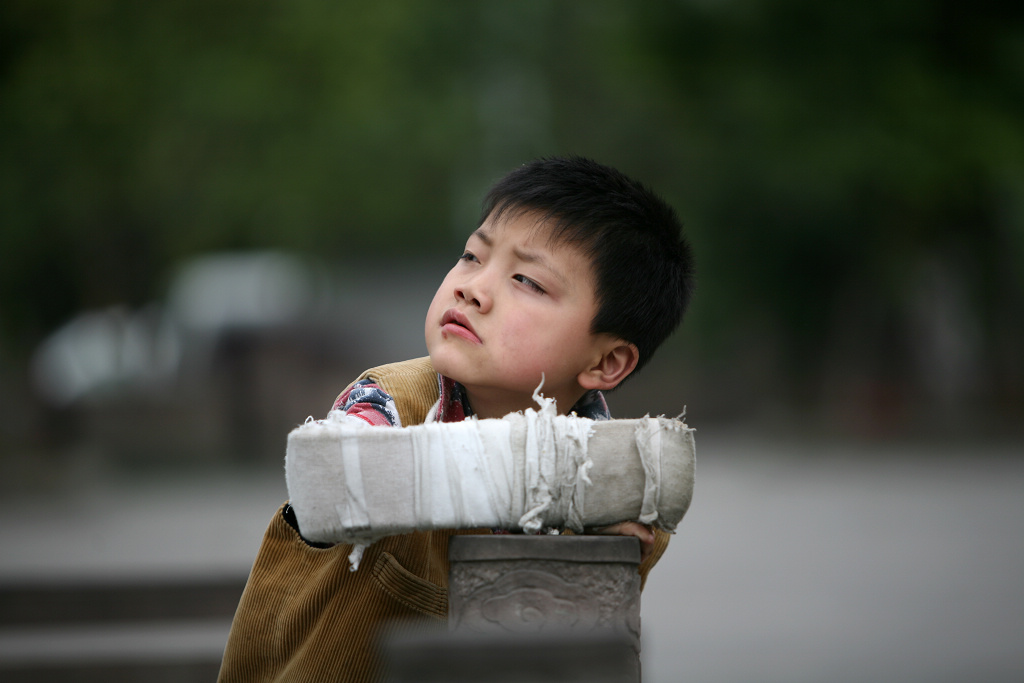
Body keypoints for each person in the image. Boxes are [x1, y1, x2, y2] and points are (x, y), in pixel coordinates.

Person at [217, 156, 695, 683]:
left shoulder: (617, 468)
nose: (472, 287)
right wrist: (549, 482)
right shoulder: (384, 405)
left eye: (528, 281)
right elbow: (332, 477)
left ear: (606, 362)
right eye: (472, 255)